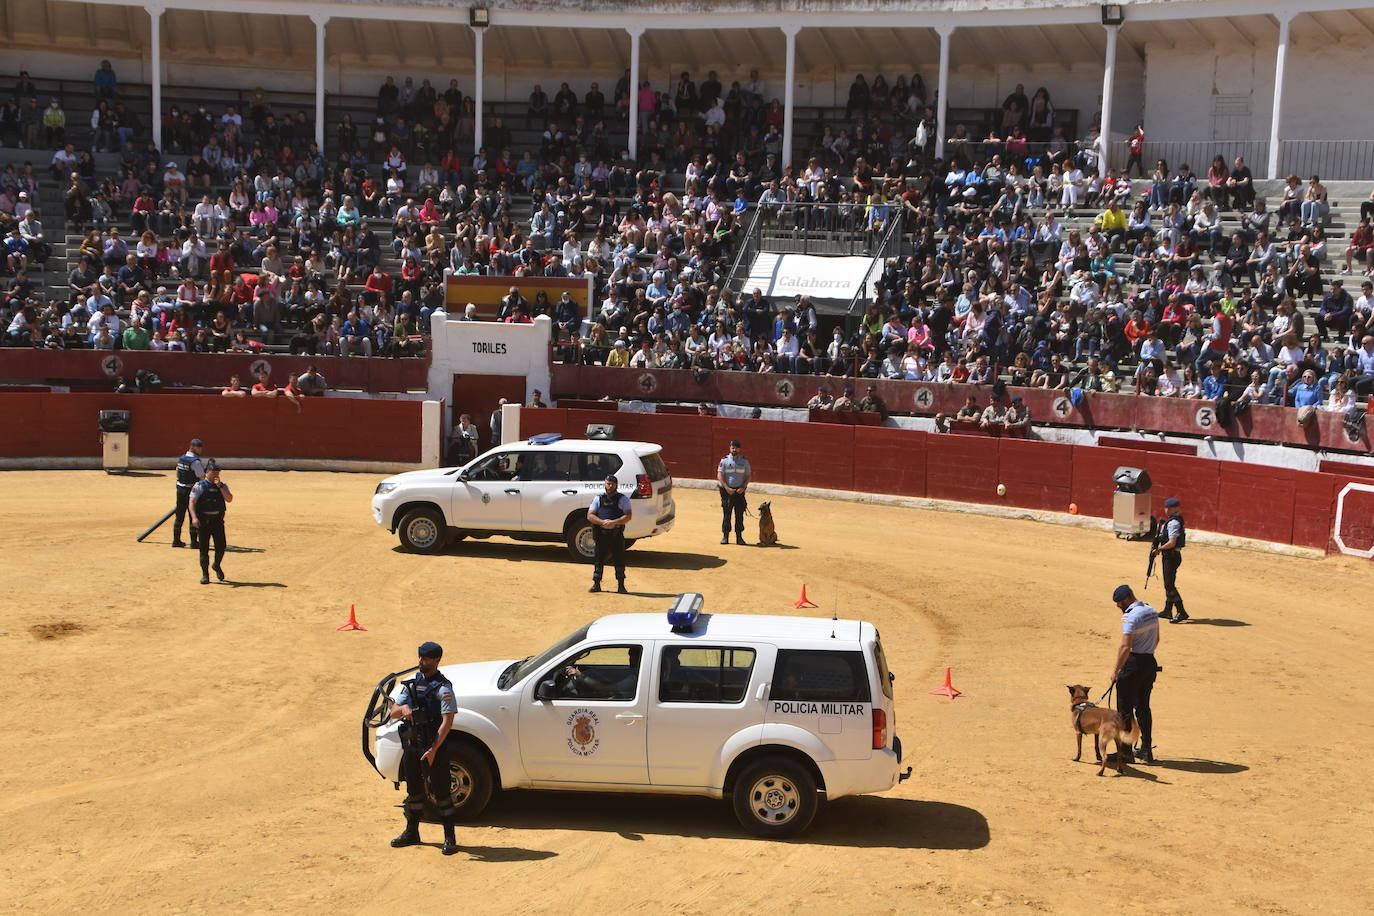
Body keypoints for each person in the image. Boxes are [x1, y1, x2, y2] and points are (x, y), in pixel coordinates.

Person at [388, 641, 459, 857]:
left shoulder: (443, 687)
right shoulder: (412, 684)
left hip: (433, 745)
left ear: (437, 660)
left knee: (442, 792)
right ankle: (412, 832)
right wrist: (404, 708)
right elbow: (392, 711)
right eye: (420, 657)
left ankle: (450, 837)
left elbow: (448, 720)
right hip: (413, 745)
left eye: (426, 659)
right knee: (414, 791)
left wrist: (434, 749)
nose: (421, 662)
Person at [1109, 583, 1160, 765]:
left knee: (1124, 709)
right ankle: (1146, 750)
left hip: (1133, 665)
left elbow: (1125, 646)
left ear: (1127, 599)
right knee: (1143, 707)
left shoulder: (1130, 617)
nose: (1119, 607)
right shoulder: (1151, 611)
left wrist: (1116, 670)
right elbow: (1157, 639)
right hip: (1150, 663)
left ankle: (1126, 752)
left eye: (1119, 603)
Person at [188, 460, 233, 584]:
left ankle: (216, 565)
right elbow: (191, 503)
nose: (216, 475)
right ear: (207, 472)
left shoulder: (223, 486)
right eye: (213, 472)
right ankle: (205, 575)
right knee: (204, 549)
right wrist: (194, 518)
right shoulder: (199, 486)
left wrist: (220, 487)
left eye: (217, 473)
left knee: (221, 547)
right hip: (203, 522)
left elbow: (229, 499)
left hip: (218, 521)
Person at [587, 475, 631, 594]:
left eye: (612, 484)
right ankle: (596, 584)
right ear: (604, 484)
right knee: (598, 559)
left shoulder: (623, 499)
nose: (610, 486)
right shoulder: (598, 499)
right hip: (601, 534)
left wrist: (614, 522)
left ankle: (621, 586)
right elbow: (590, 515)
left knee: (619, 559)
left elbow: (628, 516)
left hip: (615, 534)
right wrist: (602, 522)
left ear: (616, 485)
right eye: (608, 483)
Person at [1152, 497, 1189, 623]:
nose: (1166, 510)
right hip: (1172, 556)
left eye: (1169, 508)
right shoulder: (1175, 520)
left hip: (1171, 556)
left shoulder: (1173, 523)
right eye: (1166, 507)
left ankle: (1181, 611)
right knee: (1168, 583)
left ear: (1175, 508)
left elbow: (1172, 542)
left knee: (1169, 584)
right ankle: (1168, 610)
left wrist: (1159, 549)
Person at [172, 437, 205, 549]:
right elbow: (202, 477)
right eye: (198, 447)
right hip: (191, 490)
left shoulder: (181, 459)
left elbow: (177, 473)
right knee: (193, 514)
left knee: (179, 515)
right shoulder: (195, 462)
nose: (200, 449)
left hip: (180, 489)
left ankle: (176, 540)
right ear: (192, 447)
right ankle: (194, 542)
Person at [717, 439, 751, 545]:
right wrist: (727, 488)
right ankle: (725, 537)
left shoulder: (744, 462)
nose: (734, 449)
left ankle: (739, 537)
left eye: (735, 448)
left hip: (739, 491)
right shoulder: (724, 461)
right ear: (730, 448)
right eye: (732, 447)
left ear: (739, 449)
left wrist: (743, 487)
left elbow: (748, 476)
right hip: (727, 492)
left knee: (739, 515)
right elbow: (720, 475)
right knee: (727, 514)